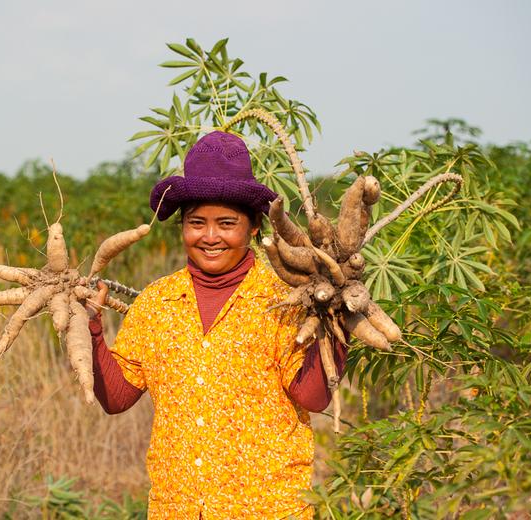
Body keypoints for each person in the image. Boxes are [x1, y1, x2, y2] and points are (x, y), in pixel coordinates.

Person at [85, 131, 347, 519]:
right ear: (182, 227)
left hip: (267, 509)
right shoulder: (157, 303)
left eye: (226, 223)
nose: (210, 237)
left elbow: (313, 397)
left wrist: (337, 316)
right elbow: (117, 398)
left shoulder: (283, 301)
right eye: (196, 223)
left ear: (254, 226)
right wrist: (90, 327)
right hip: (178, 509)